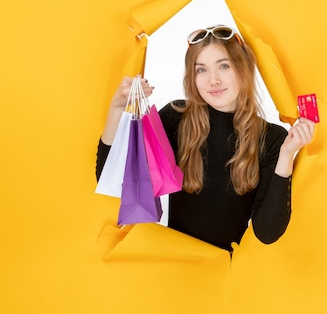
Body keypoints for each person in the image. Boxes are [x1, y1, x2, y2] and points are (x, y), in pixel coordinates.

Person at [95, 25, 315, 251]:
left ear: (243, 69)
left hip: (223, 276)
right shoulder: (175, 117)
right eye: (201, 70)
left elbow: (267, 232)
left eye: (224, 66)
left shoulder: (272, 139)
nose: (213, 80)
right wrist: (116, 110)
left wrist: (287, 156)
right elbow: (115, 180)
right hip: (172, 265)